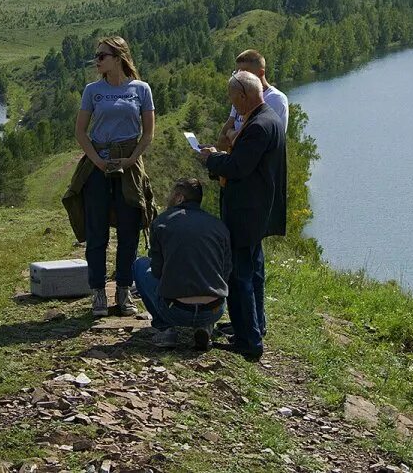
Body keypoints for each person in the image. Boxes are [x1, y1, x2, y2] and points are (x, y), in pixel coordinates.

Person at [62, 35, 156, 318]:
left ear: (118, 58)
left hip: (129, 165)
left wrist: (131, 159)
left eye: (102, 55)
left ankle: (124, 291)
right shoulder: (93, 90)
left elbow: (149, 132)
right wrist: (97, 162)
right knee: (97, 232)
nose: (97, 60)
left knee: (129, 230)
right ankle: (99, 292)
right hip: (98, 166)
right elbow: (80, 131)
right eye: (96, 55)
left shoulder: (141, 89)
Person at [198, 70, 287, 360]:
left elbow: (238, 167)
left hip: (246, 212)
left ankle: (248, 341)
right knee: (252, 270)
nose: (233, 105)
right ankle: (252, 328)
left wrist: (211, 158)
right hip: (258, 210)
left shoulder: (259, 126)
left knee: (240, 276)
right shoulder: (269, 118)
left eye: (234, 99)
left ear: (246, 95)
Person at [132, 178, 231, 351]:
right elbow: (226, 270)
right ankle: (206, 326)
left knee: (140, 265)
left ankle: (165, 329)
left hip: (176, 310)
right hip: (214, 309)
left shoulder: (162, 222)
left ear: (179, 198)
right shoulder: (219, 225)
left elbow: (156, 271)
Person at [215, 49, 288, 151]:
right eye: (237, 72)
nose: (239, 76)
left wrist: (230, 134)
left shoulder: (275, 99)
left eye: (245, 72)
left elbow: (249, 140)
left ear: (261, 73)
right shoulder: (242, 95)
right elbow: (228, 126)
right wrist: (217, 149)